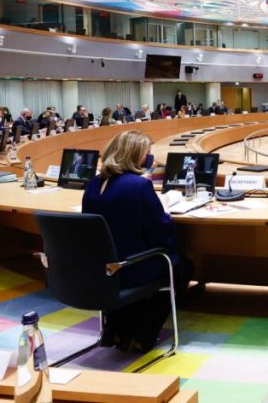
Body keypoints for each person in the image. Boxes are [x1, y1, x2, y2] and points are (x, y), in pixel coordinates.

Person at [82, 130, 191, 352]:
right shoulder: (138, 186)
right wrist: (165, 212)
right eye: (145, 153)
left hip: (102, 270)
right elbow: (160, 232)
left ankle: (116, 330)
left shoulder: (93, 184)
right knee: (181, 266)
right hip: (132, 268)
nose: (148, 157)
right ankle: (143, 335)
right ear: (134, 155)